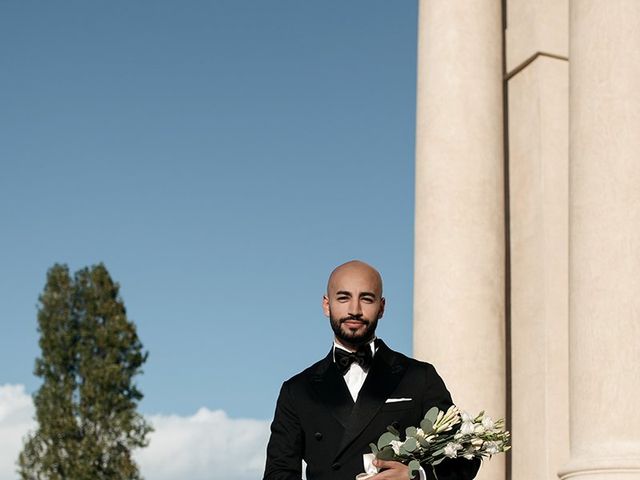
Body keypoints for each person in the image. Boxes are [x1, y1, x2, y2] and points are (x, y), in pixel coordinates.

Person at [263, 260, 480, 480]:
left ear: (382, 307)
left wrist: (418, 476)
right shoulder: (298, 390)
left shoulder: (419, 377)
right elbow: (278, 473)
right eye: (343, 297)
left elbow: (465, 455)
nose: (354, 310)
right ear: (327, 305)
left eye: (366, 298)